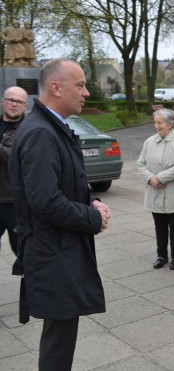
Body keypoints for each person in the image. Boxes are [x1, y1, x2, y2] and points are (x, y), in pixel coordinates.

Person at [9, 58, 111, 370]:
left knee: (61, 335)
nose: (87, 92)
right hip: (53, 251)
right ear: (56, 87)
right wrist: (92, 218)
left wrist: (90, 201)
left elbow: (62, 183)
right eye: (80, 85)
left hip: (58, 249)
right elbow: (45, 200)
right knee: (58, 343)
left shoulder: (49, 127)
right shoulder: (41, 132)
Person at [138, 108, 174, 271]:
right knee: (159, 225)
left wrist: (160, 178)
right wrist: (151, 178)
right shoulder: (149, 142)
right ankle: (161, 255)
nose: (157, 126)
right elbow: (140, 163)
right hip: (155, 191)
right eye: (155, 122)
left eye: (159, 122)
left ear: (170, 124)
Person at [0, 86, 28, 255]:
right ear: (3, 101)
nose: (14, 104)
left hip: (15, 203)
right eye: (11, 99)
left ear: (25, 106)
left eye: (19, 101)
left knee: (23, 252)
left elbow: (17, 159)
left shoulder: (28, 130)